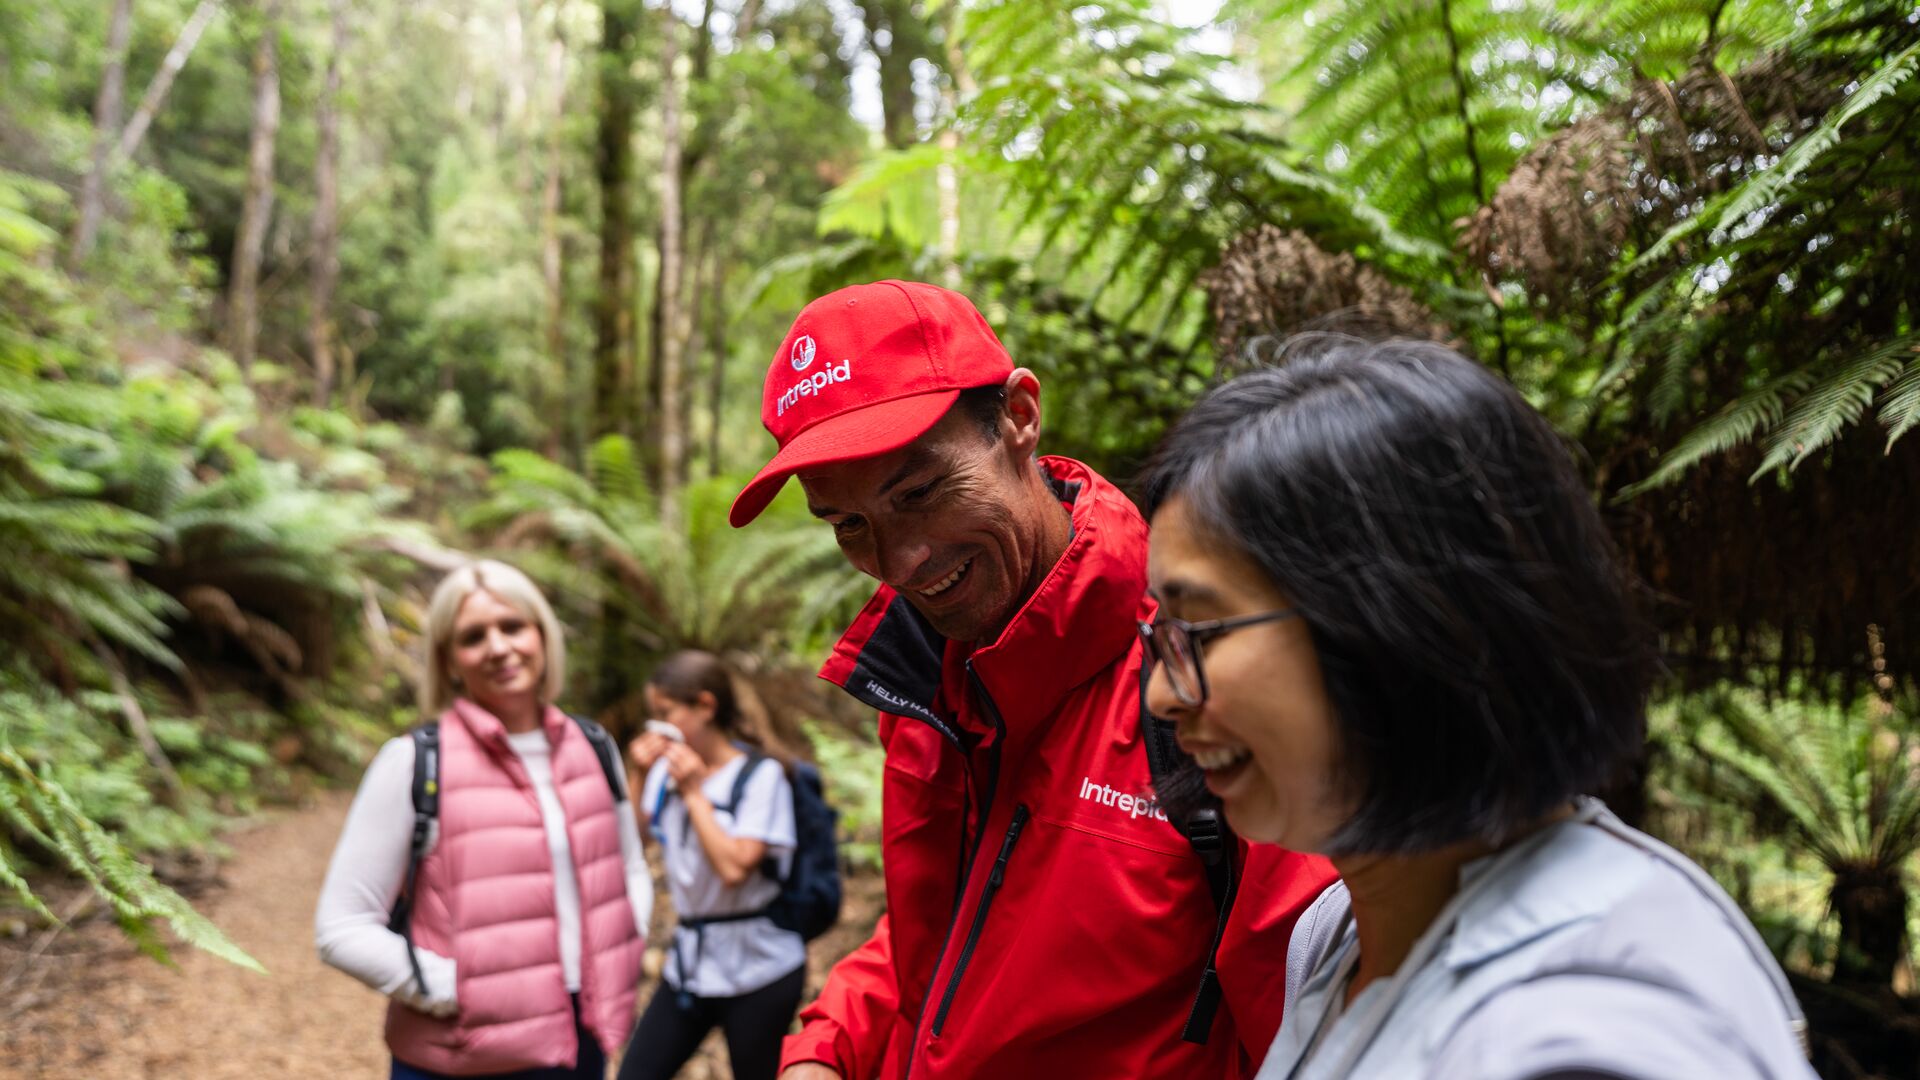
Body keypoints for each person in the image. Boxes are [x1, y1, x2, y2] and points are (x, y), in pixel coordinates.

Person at [1136, 336, 1816, 1079]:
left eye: (1199, 631)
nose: (1161, 695)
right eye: (1161, 638)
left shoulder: (1587, 1035)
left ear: (1406, 625)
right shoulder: (1343, 933)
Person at [727, 279, 1338, 1079]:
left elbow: (1315, 1016)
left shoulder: (1208, 677)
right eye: (850, 525)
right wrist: (828, 1048)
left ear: (1018, 416)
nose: (899, 561)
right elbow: (948, 929)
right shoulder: (927, 676)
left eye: (919, 492)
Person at [316, 559, 651, 1079]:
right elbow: (342, 926)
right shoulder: (412, 761)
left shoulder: (594, 746)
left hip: (580, 1045)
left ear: (541, 634)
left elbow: (628, 867)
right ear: (449, 659)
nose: (498, 647)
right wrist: (459, 992)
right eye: (474, 636)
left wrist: (623, 950)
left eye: (513, 626)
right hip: (457, 1059)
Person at [618, 650, 807, 1080]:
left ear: (705, 706)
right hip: (692, 965)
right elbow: (632, 840)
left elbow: (735, 867)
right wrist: (639, 774)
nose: (658, 727)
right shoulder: (666, 773)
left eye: (665, 714)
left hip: (761, 969)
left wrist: (695, 793)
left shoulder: (762, 777)